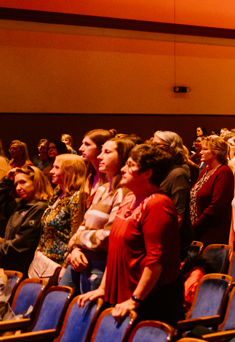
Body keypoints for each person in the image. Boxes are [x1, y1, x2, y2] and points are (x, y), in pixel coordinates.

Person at [77, 143, 183, 325]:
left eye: (131, 165)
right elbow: (114, 249)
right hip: (123, 294)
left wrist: (135, 299)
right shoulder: (128, 199)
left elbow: (155, 261)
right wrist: (104, 288)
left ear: (147, 173)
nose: (123, 169)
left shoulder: (158, 204)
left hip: (150, 300)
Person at [62, 136, 134, 293]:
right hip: (79, 257)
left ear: (122, 158)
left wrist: (78, 239)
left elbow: (109, 235)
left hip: (99, 265)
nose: (100, 156)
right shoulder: (102, 189)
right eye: (101, 151)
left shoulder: (123, 193)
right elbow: (83, 224)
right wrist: (75, 248)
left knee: (88, 314)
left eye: (107, 152)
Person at [30, 154, 87, 280]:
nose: (51, 171)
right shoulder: (57, 194)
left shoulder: (76, 197)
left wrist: (66, 267)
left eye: (56, 168)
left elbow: (76, 234)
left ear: (69, 171)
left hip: (61, 263)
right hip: (44, 261)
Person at [0, 165, 53, 273]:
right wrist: (7, 181)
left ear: (36, 182)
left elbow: (22, 244)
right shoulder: (21, 205)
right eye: (15, 184)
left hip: (23, 268)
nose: (18, 188)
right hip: (11, 265)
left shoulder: (39, 208)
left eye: (22, 182)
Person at [152, 131, 194, 257]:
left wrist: (160, 242)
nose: (151, 149)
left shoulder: (178, 174)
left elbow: (178, 216)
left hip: (173, 243)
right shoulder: (163, 171)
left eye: (156, 145)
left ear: (170, 148)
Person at [190, 135, 235, 246]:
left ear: (216, 152)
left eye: (205, 149)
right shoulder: (205, 170)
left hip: (211, 232)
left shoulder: (224, 172)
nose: (200, 152)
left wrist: (195, 225)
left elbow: (216, 206)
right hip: (197, 230)